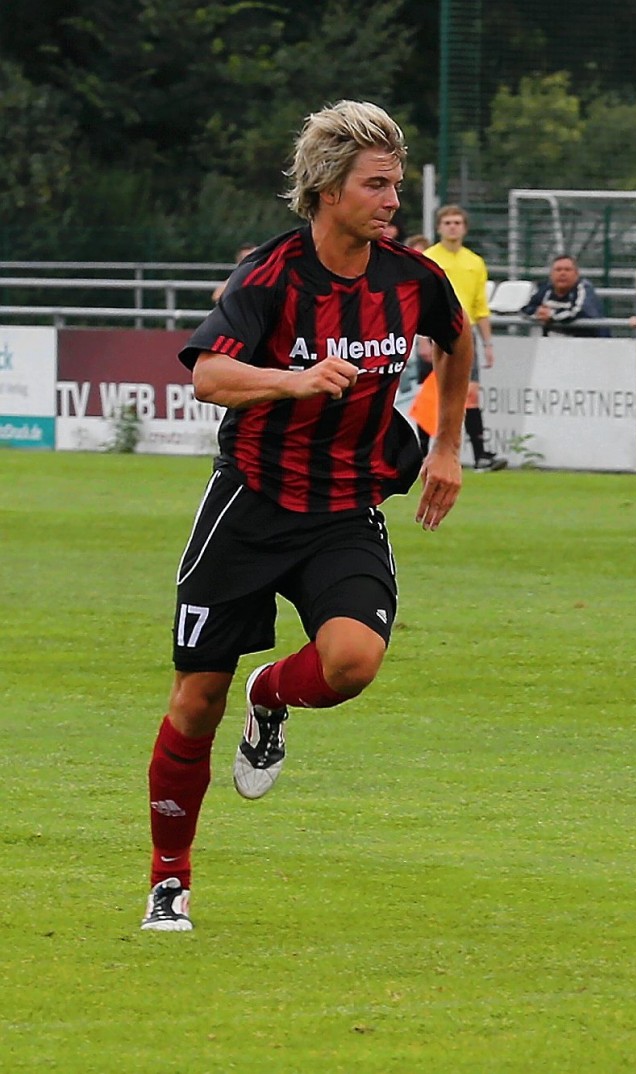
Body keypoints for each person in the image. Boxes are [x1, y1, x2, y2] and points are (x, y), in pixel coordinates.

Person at [140, 100, 473, 932]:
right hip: (251, 503)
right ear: (328, 190)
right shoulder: (269, 275)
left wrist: (445, 448)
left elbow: (456, 342)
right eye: (377, 184)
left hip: (345, 508)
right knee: (192, 702)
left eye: (396, 182)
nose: (395, 200)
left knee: (354, 662)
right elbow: (209, 376)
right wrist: (288, 379)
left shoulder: (412, 277)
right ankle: (169, 878)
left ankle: (272, 693)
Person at [425, 205, 504, 472]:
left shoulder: (474, 262)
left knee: (470, 395)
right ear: (439, 227)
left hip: (464, 337)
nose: (452, 227)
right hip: (434, 334)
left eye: (457, 222)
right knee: (431, 396)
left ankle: (481, 454)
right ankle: (423, 454)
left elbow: (480, 307)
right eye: (447, 222)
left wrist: (488, 343)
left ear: (465, 228)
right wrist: (420, 340)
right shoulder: (428, 258)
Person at [523, 253, 607, 337]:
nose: (562, 273)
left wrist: (551, 314)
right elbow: (525, 308)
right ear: (551, 274)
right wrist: (538, 313)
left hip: (589, 342)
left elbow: (576, 312)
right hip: (553, 342)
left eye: (567, 270)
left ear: (576, 274)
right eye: (558, 270)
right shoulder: (544, 289)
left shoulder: (584, 288)